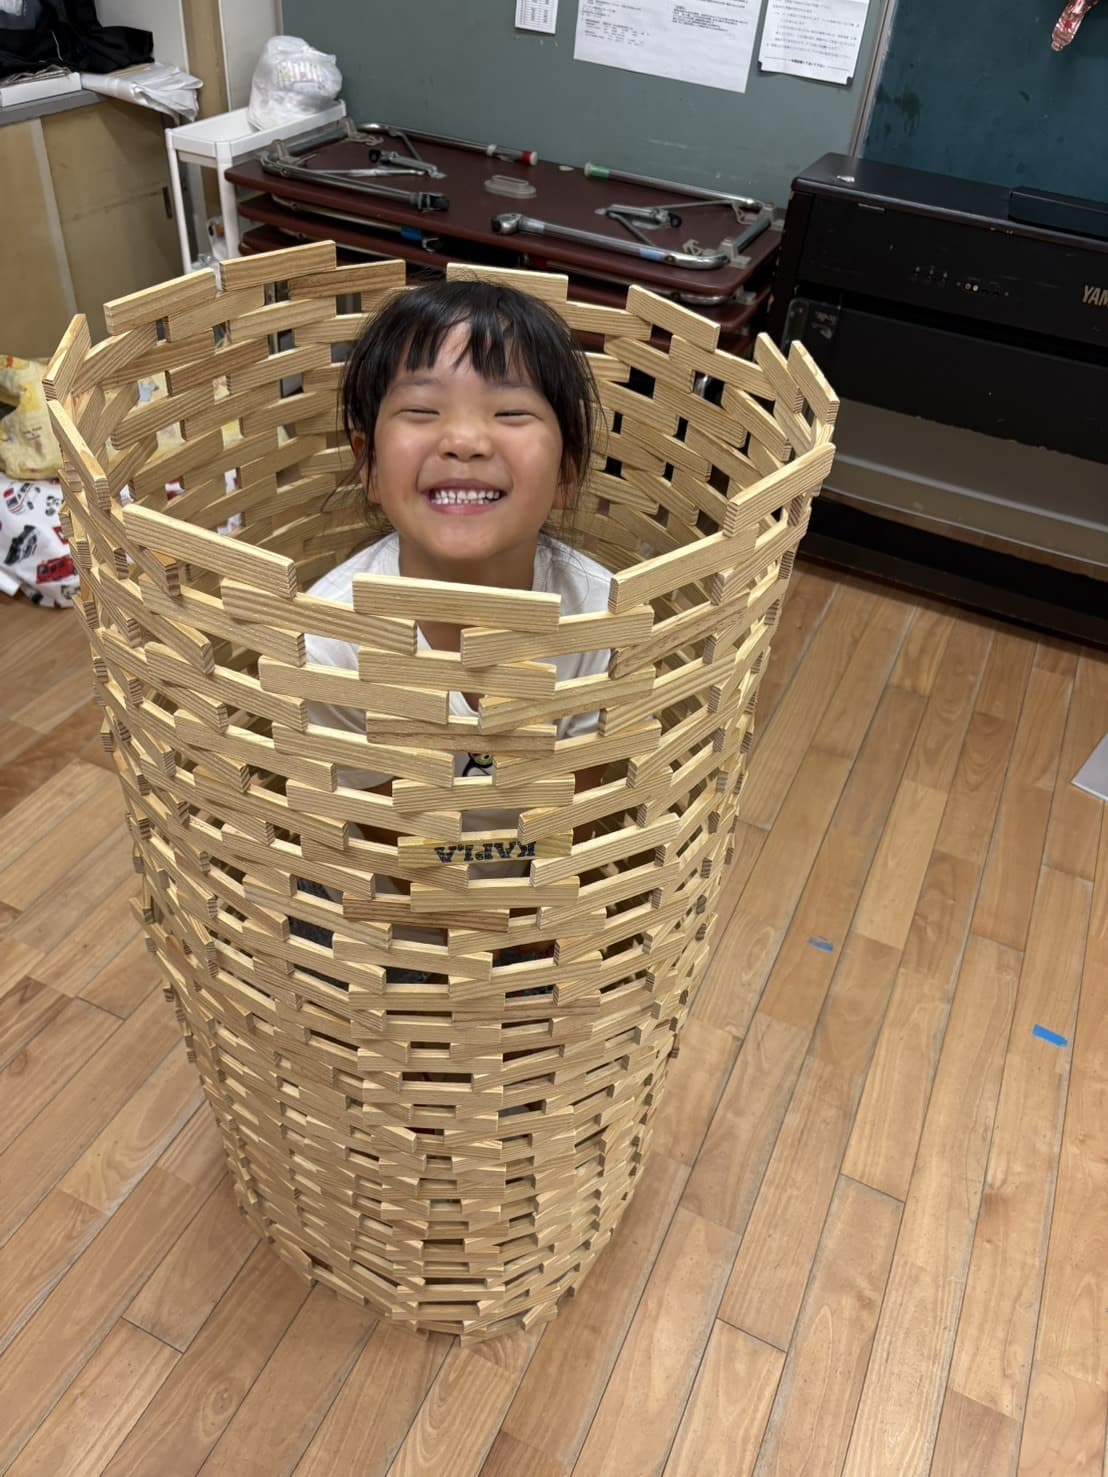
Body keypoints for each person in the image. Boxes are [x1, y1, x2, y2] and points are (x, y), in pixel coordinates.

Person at [289, 278, 612, 983]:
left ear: (566, 473)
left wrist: (531, 932)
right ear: (369, 464)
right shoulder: (333, 639)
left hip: (532, 905)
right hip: (387, 914)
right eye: (422, 409)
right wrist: (468, 956)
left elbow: (577, 815)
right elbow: (388, 850)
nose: (464, 440)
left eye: (510, 411)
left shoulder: (595, 615)